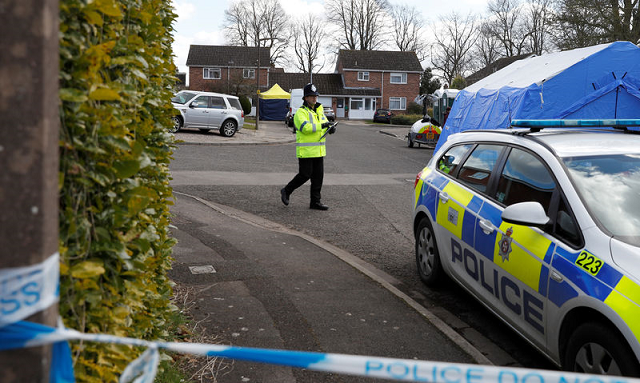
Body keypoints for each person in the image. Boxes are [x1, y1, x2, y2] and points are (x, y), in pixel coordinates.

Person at [280, 83, 335, 210]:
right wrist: (322, 126)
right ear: (305, 98)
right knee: (304, 175)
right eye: (311, 96)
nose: (314, 98)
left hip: (318, 150)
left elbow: (323, 126)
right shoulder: (300, 112)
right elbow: (305, 128)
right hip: (306, 150)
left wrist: (330, 129)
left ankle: (315, 202)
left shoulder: (319, 110)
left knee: (318, 177)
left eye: (315, 96)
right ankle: (286, 190)